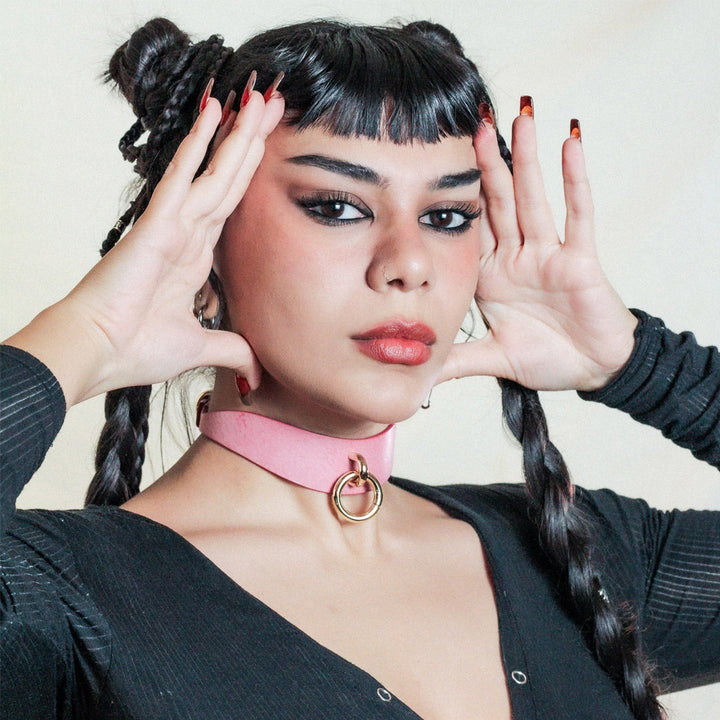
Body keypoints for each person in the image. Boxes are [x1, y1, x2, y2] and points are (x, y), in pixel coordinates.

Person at [1, 17, 718, 720]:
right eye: (337, 206)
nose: (409, 264)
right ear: (204, 243)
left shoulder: (576, 553)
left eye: (446, 217)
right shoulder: (62, 602)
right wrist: (81, 336)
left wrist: (632, 359)